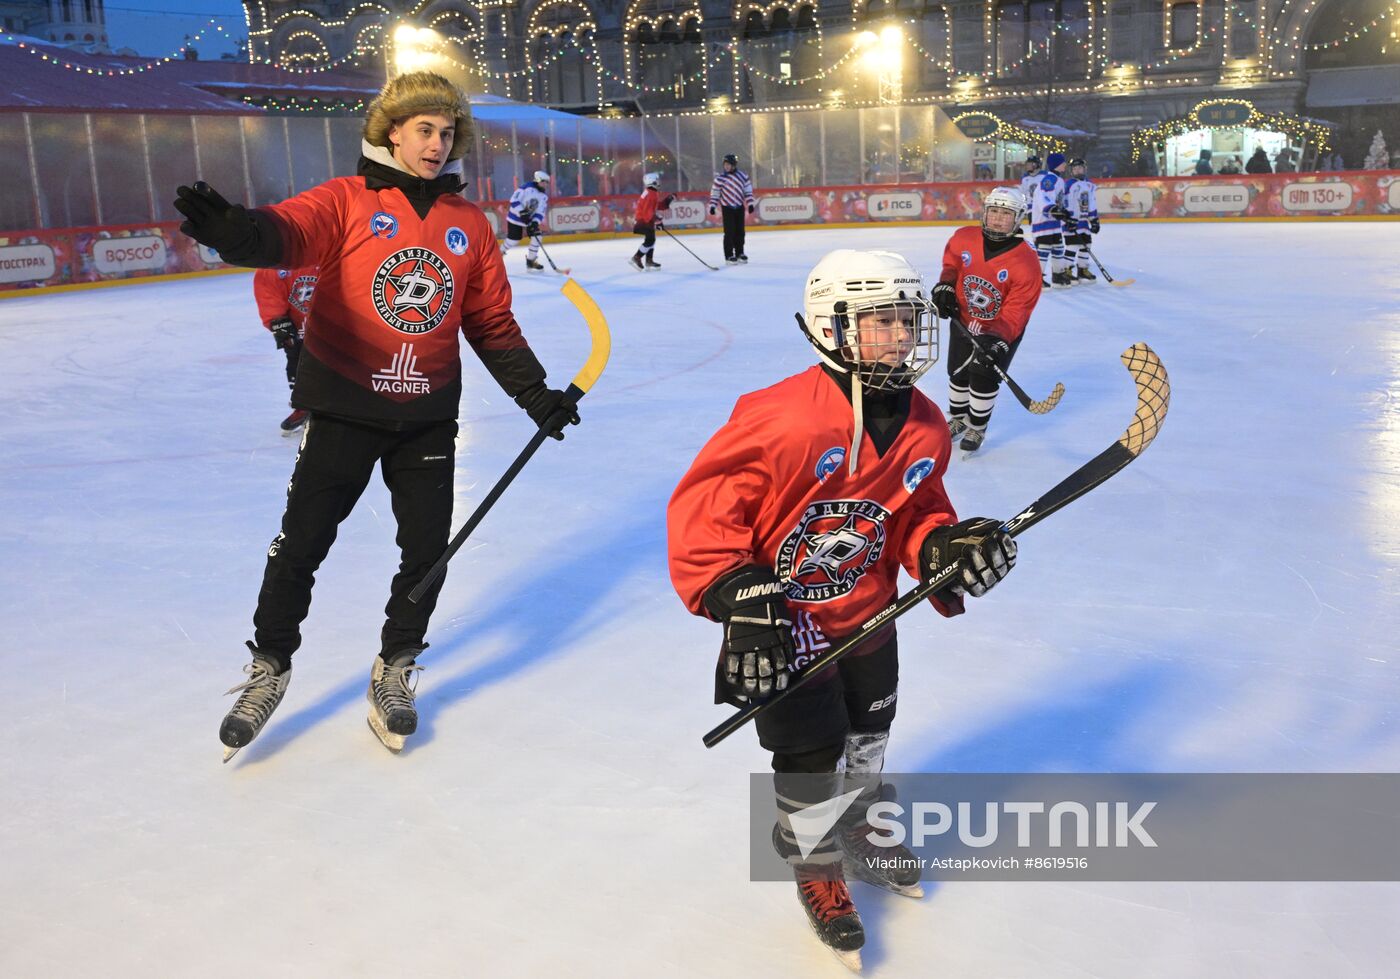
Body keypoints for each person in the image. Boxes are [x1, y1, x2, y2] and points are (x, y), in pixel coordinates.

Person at [173, 71, 581, 759]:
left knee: (426, 553)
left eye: (447, 132)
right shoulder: (347, 201)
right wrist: (237, 233)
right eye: (424, 129)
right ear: (393, 131)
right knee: (301, 543)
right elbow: (284, 233)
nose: (437, 143)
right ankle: (270, 665)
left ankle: (394, 666)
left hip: (427, 416)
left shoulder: (469, 226)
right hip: (344, 407)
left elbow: (490, 321)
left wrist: (534, 394)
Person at [667, 248, 1018, 969]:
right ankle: (814, 856)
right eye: (881, 321)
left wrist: (947, 545)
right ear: (832, 327)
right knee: (809, 751)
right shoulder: (779, 418)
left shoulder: (925, 427)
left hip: (869, 615)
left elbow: (914, 514)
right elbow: (706, 510)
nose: (899, 336)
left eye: (907, 319)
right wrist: (737, 592)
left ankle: (860, 820)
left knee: (870, 733)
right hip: (784, 626)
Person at [932, 187, 1043, 454]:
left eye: (1005, 214)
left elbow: (1018, 309)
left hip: (1001, 327)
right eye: (993, 211)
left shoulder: (1026, 262)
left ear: (1017, 219)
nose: (997, 218)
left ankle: (977, 427)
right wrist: (945, 286)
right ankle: (958, 419)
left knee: (983, 375)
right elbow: (952, 265)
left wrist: (998, 340)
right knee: (957, 371)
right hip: (964, 317)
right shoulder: (964, 237)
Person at [252, 265, 318, 435]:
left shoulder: (327, 253)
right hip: (299, 330)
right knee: (298, 364)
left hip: (333, 326)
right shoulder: (273, 267)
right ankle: (304, 406)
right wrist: (279, 323)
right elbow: (269, 295)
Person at [1029, 152, 1071, 286]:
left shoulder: (1058, 180)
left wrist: (1064, 213)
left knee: (1058, 247)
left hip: (1053, 222)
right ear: (1057, 165)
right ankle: (1037, 278)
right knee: (1044, 248)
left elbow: (1058, 200)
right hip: (1043, 221)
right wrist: (1052, 209)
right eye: (1063, 162)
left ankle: (1057, 275)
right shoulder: (1049, 179)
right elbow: (1043, 197)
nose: (1065, 164)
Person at [708, 152, 756, 264]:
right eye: (725, 164)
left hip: (739, 207)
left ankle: (740, 253)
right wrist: (712, 205)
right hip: (727, 208)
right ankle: (729, 255)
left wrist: (750, 204)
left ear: (734, 165)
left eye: (728, 164)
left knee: (740, 232)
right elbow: (715, 193)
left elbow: (748, 191)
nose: (726, 166)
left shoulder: (743, 177)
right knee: (729, 232)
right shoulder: (720, 179)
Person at [1061, 158, 1100, 284]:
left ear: (1085, 169)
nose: (1077, 170)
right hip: (1072, 221)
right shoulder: (1069, 184)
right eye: (1075, 169)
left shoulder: (1090, 185)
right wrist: (1068, 219)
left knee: (1086, 245)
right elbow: (1065, 202)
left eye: (1080, 168)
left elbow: (1092, 203)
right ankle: (1066, 270)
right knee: (1072, 246)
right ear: (1071, 171)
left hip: (1084, 222)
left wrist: (1094, 220)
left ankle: (1082, 270)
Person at [502, 170, 550, 271]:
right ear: (538, 180)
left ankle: (531, 261)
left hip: (529, 220)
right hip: (515, 218)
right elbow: (514, 200)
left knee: (537, 236)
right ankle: (497, 255)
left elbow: (540, 212)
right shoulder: (526, 188)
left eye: (547, 182)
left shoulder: (543, 196)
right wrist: (522, 212)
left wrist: (535, 222)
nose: (545, 184)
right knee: (513, 240)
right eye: (544, 182)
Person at [630, 171, 673, 271]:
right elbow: (647, 212)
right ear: (652, 181)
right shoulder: (651, 194)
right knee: (650, 240)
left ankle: (649, 261)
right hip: (643, 221)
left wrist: (667, 200)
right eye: (657, 180)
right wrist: (657, 221)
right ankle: (636, 258)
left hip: (645, 220)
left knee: (651, 240)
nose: (659, 182)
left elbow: (655, 206)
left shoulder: (651, 193)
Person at [1018, 155, 1042, 224]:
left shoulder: (1044, 176)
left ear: (1036, 165)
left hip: (1042, 207)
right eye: (1027, 164)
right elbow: (1023, 193)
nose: (1027, 166)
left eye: (1030, 164)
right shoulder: (1025, 178)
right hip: (1031, 207)